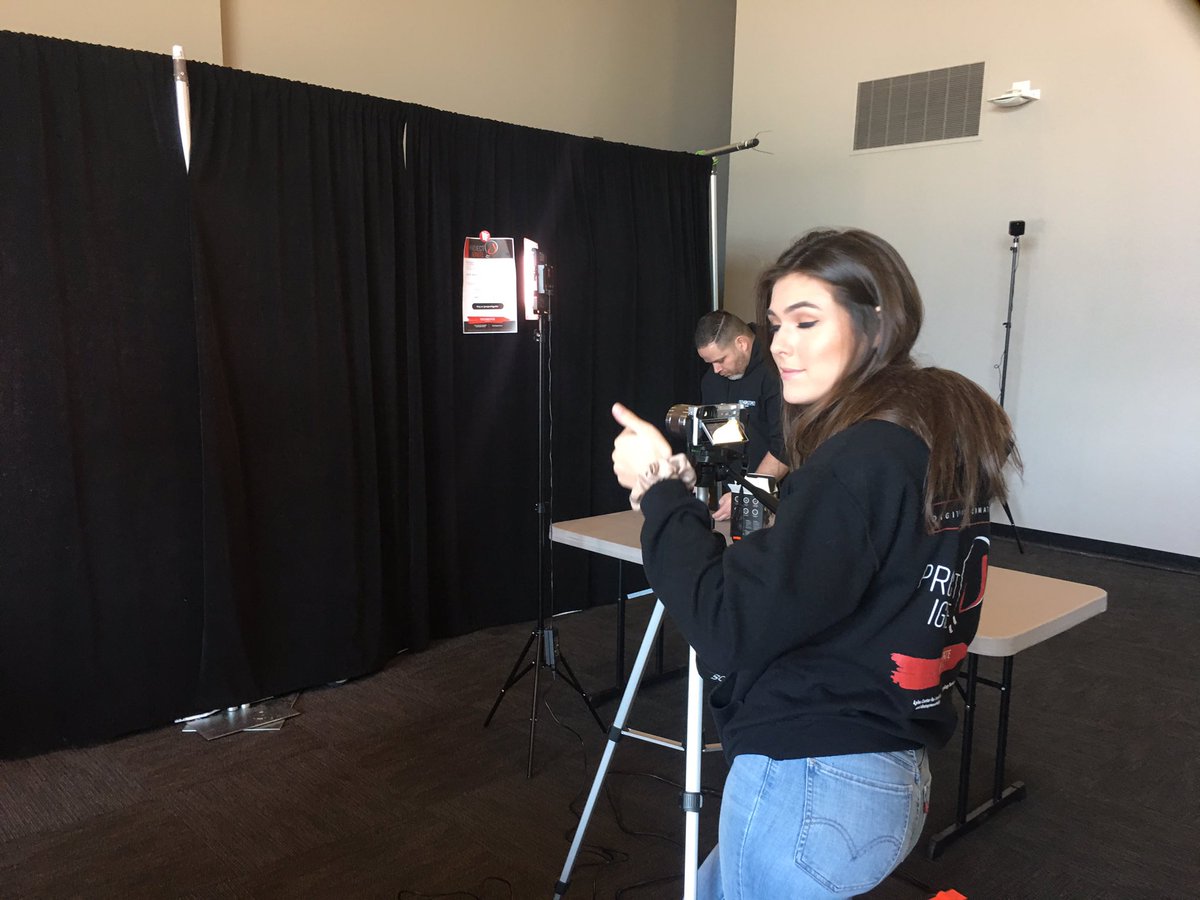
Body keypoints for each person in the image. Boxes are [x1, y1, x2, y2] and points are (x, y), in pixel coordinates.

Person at [611, 228, 1019, 899]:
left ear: (877, 324)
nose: (780, 344)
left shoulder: (859, 460)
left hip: (813, 781)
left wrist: (659, 490)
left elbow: (726, 624)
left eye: (806, 322)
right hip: (886, 769)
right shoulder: (928, 440)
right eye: (775, 324)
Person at [694, 310, 788, 520]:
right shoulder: (712, 380)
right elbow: (711, 441)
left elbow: (785, 446)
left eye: (721, 360)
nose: (716, 369)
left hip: (778, 499)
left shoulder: (776, 372)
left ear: (742, 343)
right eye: (710, 363)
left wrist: (747, 493)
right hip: (730, 499)